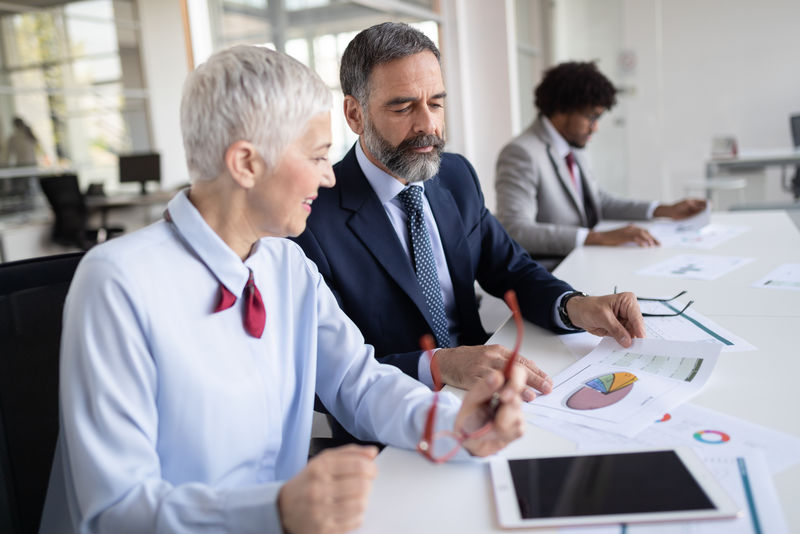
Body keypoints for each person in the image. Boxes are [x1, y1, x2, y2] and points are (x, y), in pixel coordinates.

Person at [40, 45, 528, 534]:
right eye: (317, 155)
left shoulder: (285, 263)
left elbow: (359, 383)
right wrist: (276, 511)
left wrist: (452, 424)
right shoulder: (117, 283)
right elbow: (114, 511)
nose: (330, 174)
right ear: (247, 164)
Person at [293, 23, 646, 438]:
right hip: (394, 425)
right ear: (354, 114)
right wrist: (439, 364)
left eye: (436, 103)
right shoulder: (310, 217)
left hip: (489, 389)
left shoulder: (455, 176)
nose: (428, 125)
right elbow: (321, 376)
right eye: (403, 107)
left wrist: (573, 306)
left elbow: (511, 268)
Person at [495, 61, 707, 270]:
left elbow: (598, 201)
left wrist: (663, 210)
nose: (595, 128)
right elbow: (516, 230)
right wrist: (597, 237)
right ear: (561, 109)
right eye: (591, 117)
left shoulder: (570, 144)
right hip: (553, 271)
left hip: (586, 261)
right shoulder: (522, 153)